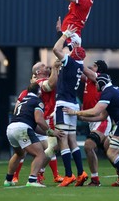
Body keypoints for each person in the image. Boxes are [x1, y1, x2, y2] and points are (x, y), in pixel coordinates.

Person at [65, 73, 119, 188]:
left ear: (101, 83)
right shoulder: (112, 90)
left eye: (96, 83)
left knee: (112, 153)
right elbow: (102, 116)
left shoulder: (108, 92)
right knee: (107, 144)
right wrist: (82, 118)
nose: (95, 85)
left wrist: (75, 112)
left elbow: (95, 111)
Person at [13, 60, 64, 184]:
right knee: (27, 152)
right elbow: (51, 84)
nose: (46, 66)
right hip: (36, 122)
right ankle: (18, 176)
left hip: (38, 123)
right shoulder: (39, 84)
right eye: (43, 66)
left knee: (50, 148)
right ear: (37, 72)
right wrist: (55, 68)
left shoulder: (33, 88)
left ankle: (49, 174)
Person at [4, 82, 63, 188]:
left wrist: (48, 133)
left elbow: (35, 126)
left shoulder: (23, 100)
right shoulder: (37, 101)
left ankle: (8, 180)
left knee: (19, 154)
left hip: (11, 128)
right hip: (22, 128)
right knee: (40, 154)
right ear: (39, 91)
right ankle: (32, 180)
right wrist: (51, 131)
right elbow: (39, 120)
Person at [51, 25, 88, 187]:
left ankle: (68, 175)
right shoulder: (79, 64)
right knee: (72, 139)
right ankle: (81, 172)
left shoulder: (71, 62)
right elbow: (71, 47)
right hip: (73, 104)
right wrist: (61, 33)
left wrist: (65, 34)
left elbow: (56, 49)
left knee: (62, 139)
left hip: (63, 104)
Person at [81, 60, 112, 186]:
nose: (90, 67)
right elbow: (79, 72)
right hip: (92, 120)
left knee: (88, 145)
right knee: (109, 150)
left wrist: (75, 55)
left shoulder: (98, 78)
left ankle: (95, 180)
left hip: (101, 119)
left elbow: (82, 69)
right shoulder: (90, 79)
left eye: (93, 65)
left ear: (98, 69)